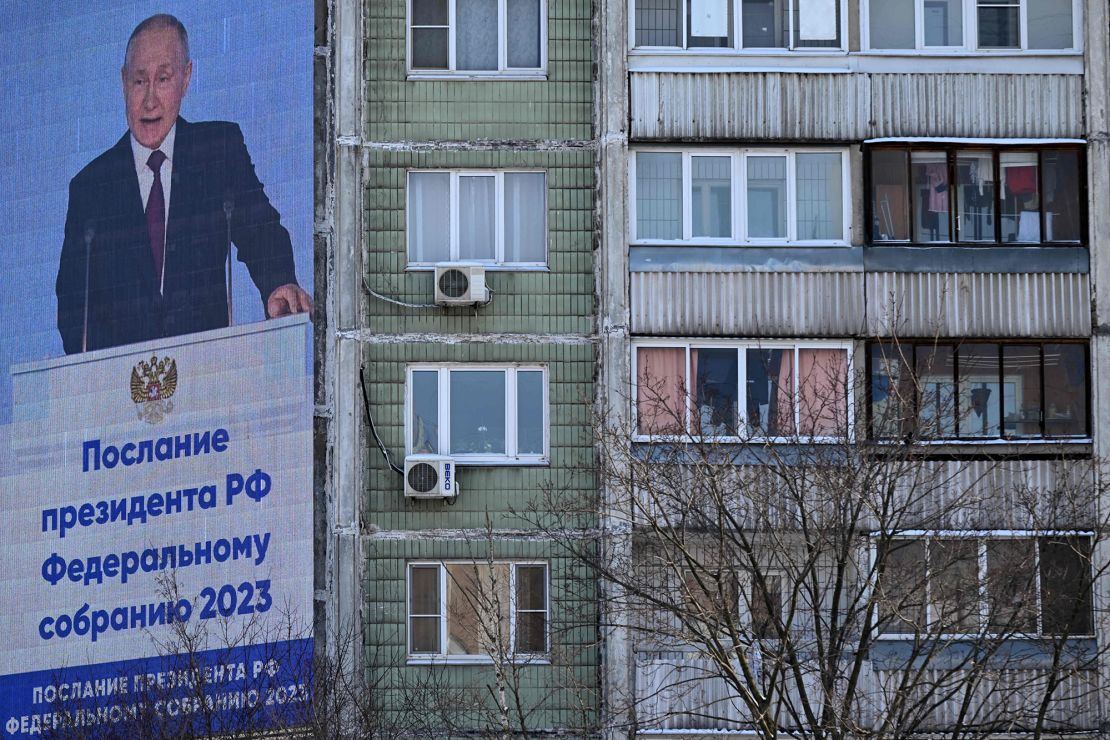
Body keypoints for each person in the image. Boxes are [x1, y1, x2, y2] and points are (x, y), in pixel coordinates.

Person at [55, 14, 311, 355]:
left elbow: (260, 228)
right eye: (138, 81)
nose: (149, 100)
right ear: (123, 82)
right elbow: (74, 307)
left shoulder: (217, 151)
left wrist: (279, 281)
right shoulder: (90, 188)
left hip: (208, 379)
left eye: (163, 79)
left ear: (186, 78)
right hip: (122, 394)